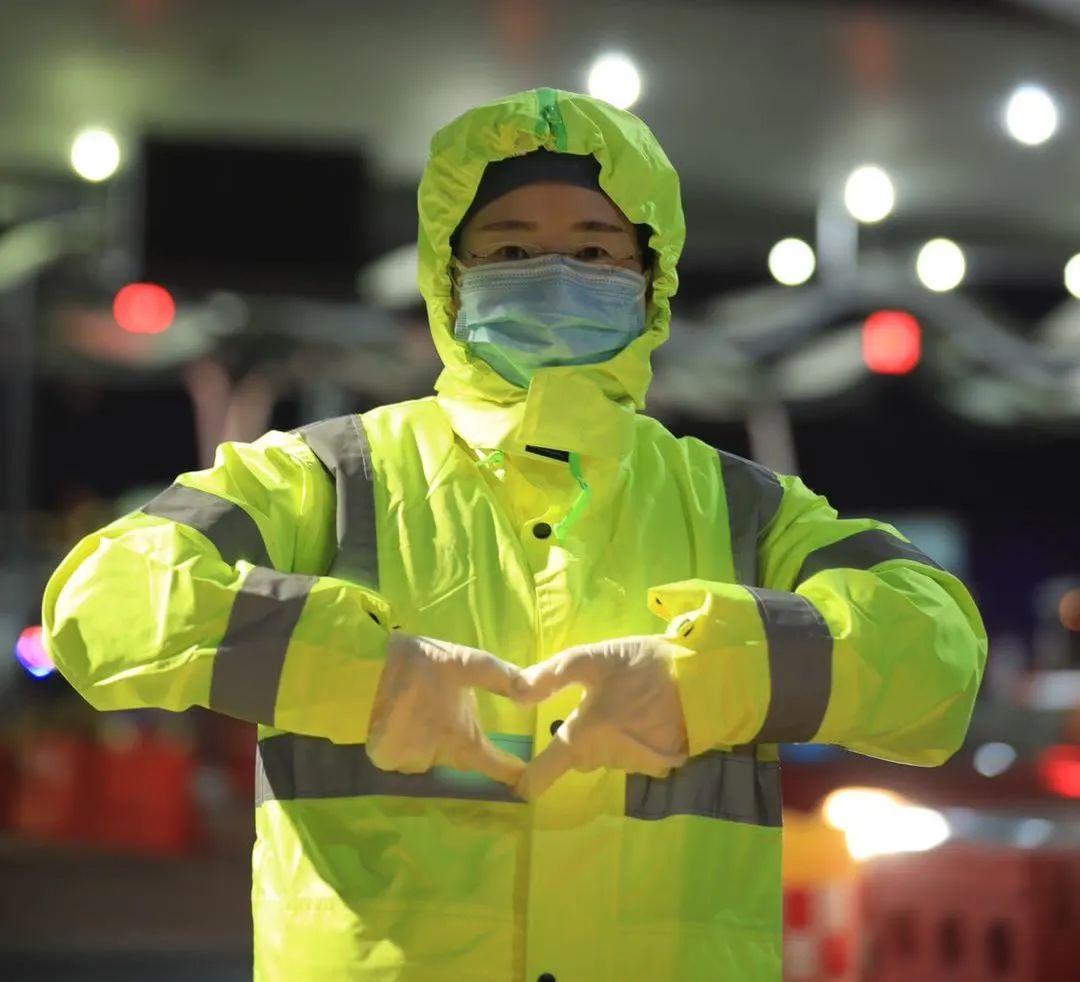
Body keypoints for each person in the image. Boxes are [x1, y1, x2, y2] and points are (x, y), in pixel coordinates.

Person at [42, 88, 987, 981]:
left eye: (595, 248)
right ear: (448, 280)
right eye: (506, 251)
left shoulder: (740, 507)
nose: (556, 275)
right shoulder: (329, 477)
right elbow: (103, 603)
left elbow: (937, 654)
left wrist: (713, 682)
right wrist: (354, 673)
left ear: (651, 277)